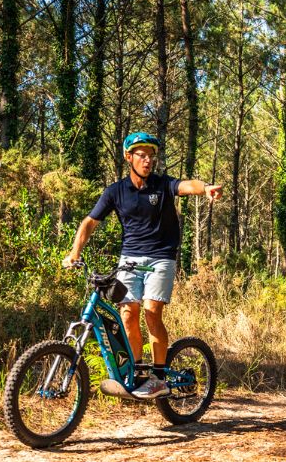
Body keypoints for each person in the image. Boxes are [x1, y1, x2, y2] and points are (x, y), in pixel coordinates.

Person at [62, 132, 223, 399]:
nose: (148, 160)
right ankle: (136, 375)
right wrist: (73, 253)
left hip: (161, 257)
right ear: (129, 157)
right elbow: (89, 222)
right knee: (127, 313)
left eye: (151, 156)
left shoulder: (162, 185)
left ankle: (158, 377)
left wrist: (205, 188)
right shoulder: (115, 191)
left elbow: (186, 186)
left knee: (151, 312)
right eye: (141, 155)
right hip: (130, 259)